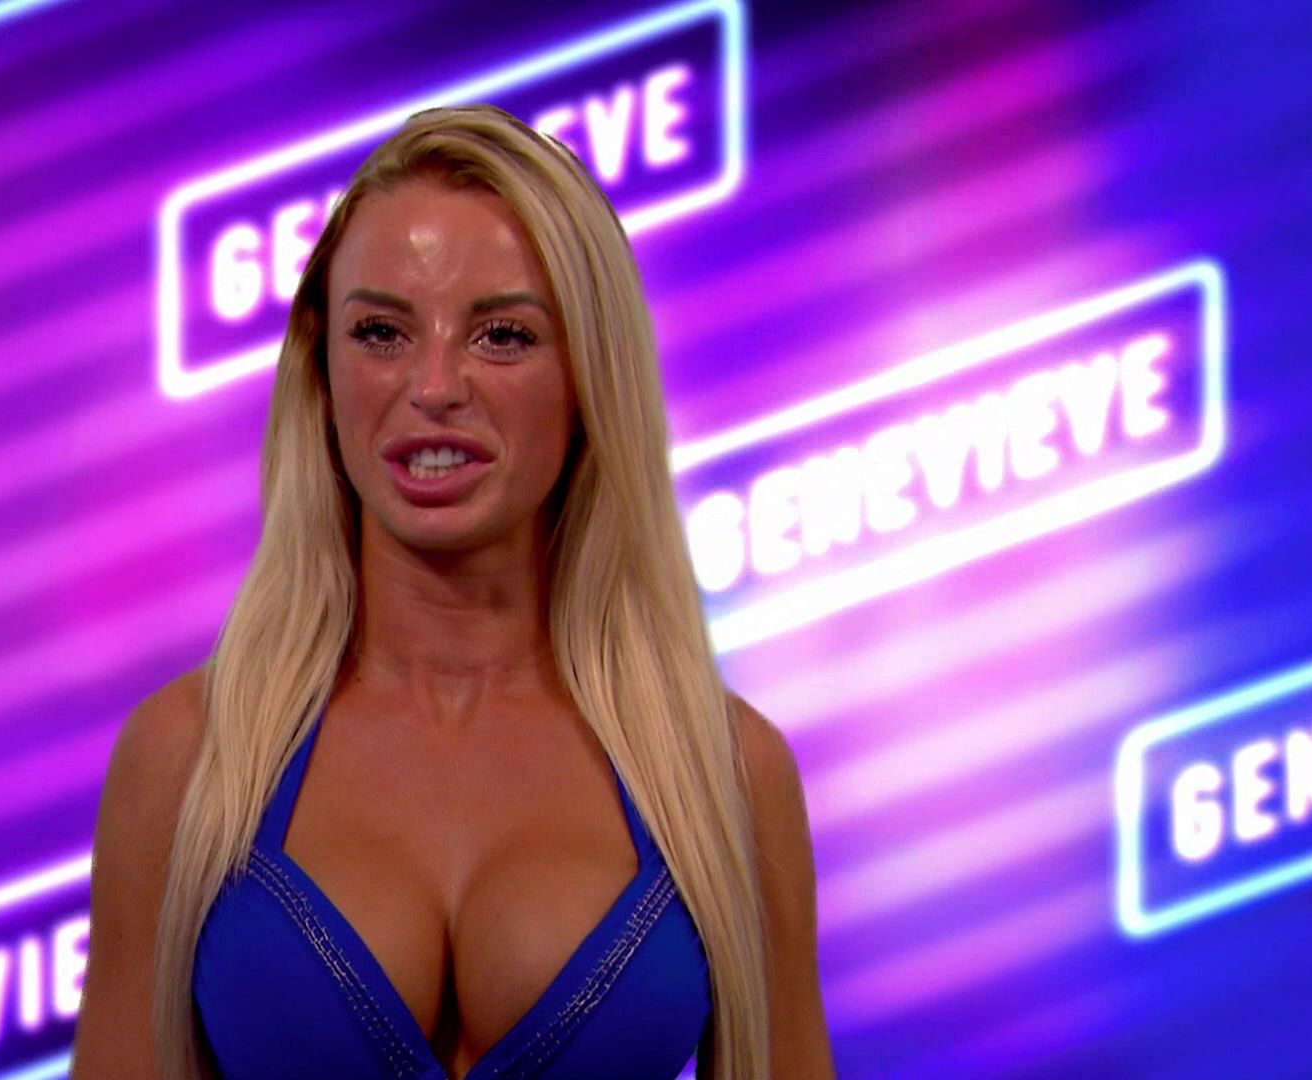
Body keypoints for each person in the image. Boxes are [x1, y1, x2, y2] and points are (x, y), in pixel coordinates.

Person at [72, 103, 834, 1079]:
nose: (433, 385)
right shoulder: (185, 760)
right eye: (382, 332)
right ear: (322, 373)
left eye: (502, 336)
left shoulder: (725, 772)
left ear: (590, 379)